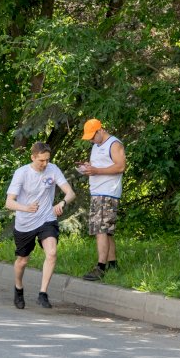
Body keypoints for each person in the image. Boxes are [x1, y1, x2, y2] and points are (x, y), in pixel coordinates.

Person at [5, 142, 76, 309]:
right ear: (33, 157)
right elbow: (9, 202)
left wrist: (62, 203)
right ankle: (18, 288)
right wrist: (26, 208)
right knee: (22, 261)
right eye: (41, 161)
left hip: (46, 218)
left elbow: (70, 192)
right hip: (25, 222)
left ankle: (43, 293)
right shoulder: (22, 173)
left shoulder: (53, 169)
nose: (45, 164)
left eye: (47, 160)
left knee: (51, 253)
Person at [79, 119, 126, 281]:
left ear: (100, 131)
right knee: (106, 231)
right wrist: (88, 167)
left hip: (108, 193)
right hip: (97, 192)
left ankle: (100, 267)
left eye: (93, 136)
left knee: (100, 230)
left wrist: (97, 170)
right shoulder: (96, 146)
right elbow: (97, 165)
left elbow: (120, 166)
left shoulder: (114, 144)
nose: (91, 140)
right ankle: (112, 264)